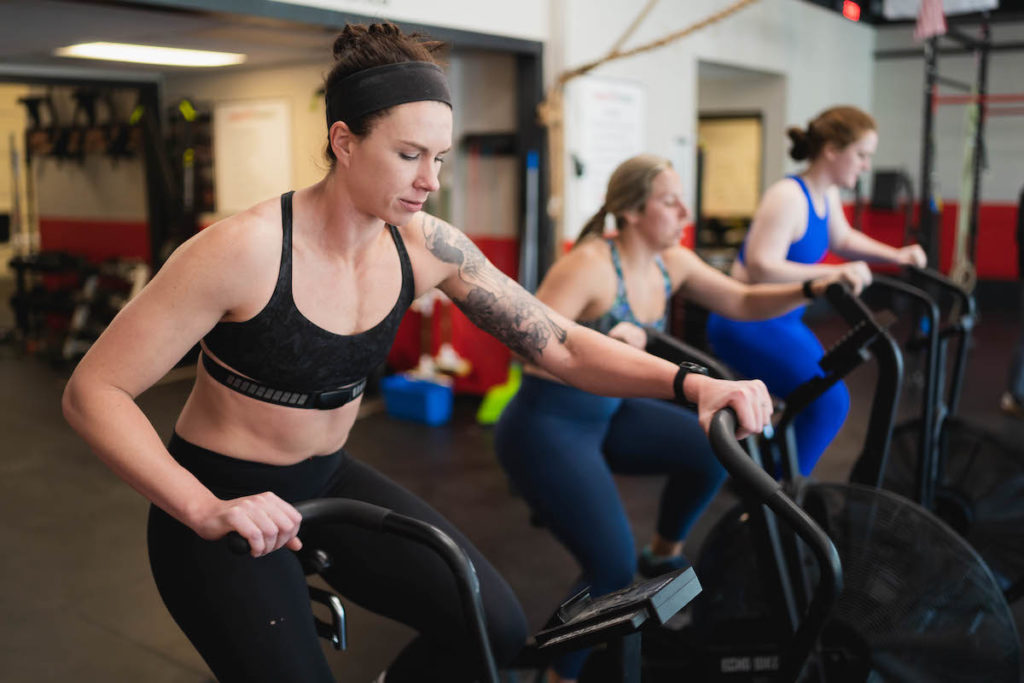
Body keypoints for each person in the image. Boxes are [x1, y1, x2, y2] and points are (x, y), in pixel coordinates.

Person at [61, 24, 773, 683]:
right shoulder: (242, 250)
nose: (430, 179)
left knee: (491, 627)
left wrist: (692, 385)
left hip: (328, 477)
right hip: (220, 498)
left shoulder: (427, 246)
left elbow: (556, 342)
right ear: (343, 141)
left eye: (438, 157)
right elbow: (93, 391)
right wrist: (203, 507)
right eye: (408, 155)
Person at [493, 154, 865, 683]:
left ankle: (661, 554)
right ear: (632, 210)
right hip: (548, 425)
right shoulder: (591, 266)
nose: (685, 212)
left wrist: (814, 286)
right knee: (610, 570)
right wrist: (601, 344)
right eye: (671, 202)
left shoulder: (673, 261)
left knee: (710, 449)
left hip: (611, 413)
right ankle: (558, 672)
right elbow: (520, 346)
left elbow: (740, 298)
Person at [706, 106, 927, 477]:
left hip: (783, 320)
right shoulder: (788, 196)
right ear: (831, 150)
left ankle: (770, 475)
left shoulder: (822, 195)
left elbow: (842, 238)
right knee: (829, 404)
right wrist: (835, 273)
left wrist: (896, 255)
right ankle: (776, 498)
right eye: (861, 155)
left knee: (821, 398)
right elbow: (761, 266)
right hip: (747, 321)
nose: (866, 166)